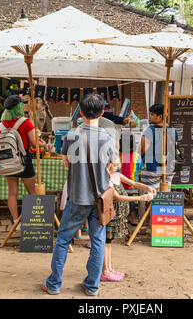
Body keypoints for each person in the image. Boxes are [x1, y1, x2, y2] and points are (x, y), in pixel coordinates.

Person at [42, 93, 117, 297]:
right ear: (102, 112)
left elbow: (66, 163)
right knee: (98, 241)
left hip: (77, 198)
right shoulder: (108, 139)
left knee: (63, 240)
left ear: (81, 112)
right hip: (100, 199)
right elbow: (112, 169)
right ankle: (92, 286)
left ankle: (54, 283)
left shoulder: (71, 136)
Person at [101, 157, 155, 282]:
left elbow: (134, 183)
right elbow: (119, 197)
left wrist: (147, 187)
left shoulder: (118, 176)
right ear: (108, 165)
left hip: (119, 215)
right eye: (114, 165)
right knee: (106, 242)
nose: (117, 167)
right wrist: (140, 198)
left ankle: (109, 268)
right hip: (111, 214)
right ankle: (105, 271)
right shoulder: (107, 181)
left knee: (109, 242)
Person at [0, 95, 45, 229]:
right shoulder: (26, 122)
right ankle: (33, 221)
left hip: (8, 161)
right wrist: (43, 143)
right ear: (18, 107)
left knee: (12, 192)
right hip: (24, 161)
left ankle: (15, 222)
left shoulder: (1, 125)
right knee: (32, 192)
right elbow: (35, 144)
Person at [140, 104, 177, 192]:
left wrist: (140, 158)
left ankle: (150, 206)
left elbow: (143, 148)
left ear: (160, 117)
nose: (149, 117)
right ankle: (163, 206)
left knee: (151, 194)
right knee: (164, 195)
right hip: (169, 168)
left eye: (152, 115)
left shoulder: (150, 130)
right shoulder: (172, 129)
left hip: (152, 168)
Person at [119, 131, 144, 225]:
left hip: (120, 186)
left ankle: (122, 219)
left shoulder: (119, 156)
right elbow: (140, 168)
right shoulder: (136, 156)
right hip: (132, 185)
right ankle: (133, 218)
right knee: (132, 198)